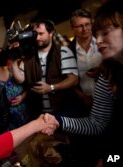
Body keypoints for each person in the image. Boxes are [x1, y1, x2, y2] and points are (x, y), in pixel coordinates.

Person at [43, 1, 123, 166]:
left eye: (105, 33)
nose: (98, 40)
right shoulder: (107, 75)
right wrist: (59, 121)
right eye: (97, 34)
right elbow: (96, 122)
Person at [11, 19, 80, 121]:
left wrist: (51, 87)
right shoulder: (29, 56)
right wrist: (13, 62)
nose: (37, 37)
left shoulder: (63, 51)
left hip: (64, 109)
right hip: (40, 113)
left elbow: (73, 79)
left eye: (41, 34)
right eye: (35, 34)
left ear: (51, 33)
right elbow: (21, 79)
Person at [0, 45, 28, 130]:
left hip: (28, 116)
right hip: (10, 125)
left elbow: (29, 86)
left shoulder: (12, 70)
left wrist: (23, 96)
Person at [69, 8, 102, 111]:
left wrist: (102, 70)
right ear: (72, 28)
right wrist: (82, 97)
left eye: (87, 24)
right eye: (80, 26)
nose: (85, 29)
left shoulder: (101, 42)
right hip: (86, 103)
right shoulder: (68, 51)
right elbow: (68, 80)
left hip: (109, 97)